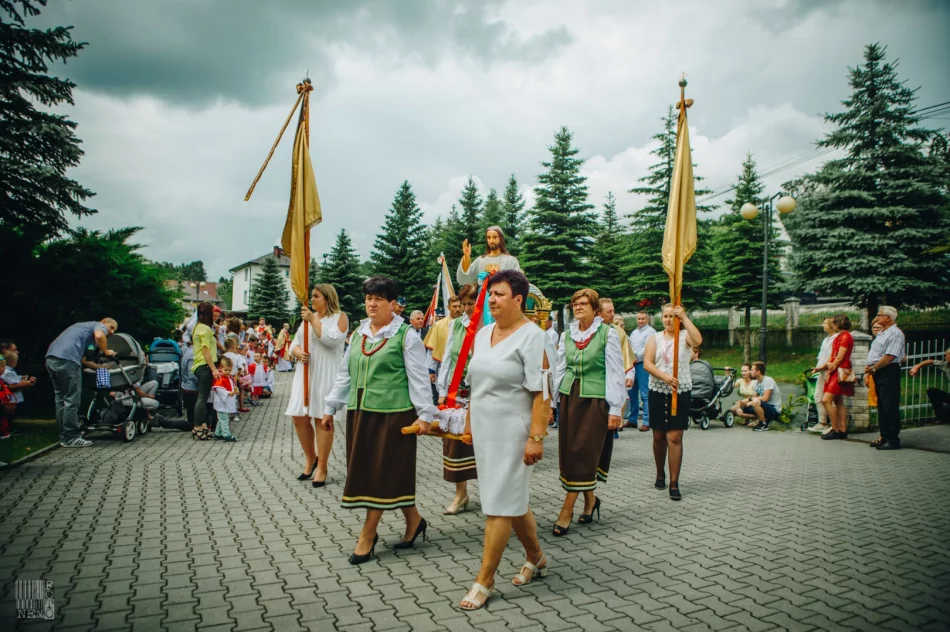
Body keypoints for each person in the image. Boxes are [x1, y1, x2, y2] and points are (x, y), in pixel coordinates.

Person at [320, 276, 437, 565]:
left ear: (393, 305)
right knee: (385, 473)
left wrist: (425, 415)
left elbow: (419, 378)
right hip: (361, 413)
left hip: (394, 416)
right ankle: (414, 520)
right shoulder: (359, 333)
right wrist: (330, 407)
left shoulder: (406, 335)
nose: (372, 304)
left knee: (379, 474)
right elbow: (345, 373)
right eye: (369, 298)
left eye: (379, 299)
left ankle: (367, 535)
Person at [459, 270, 550, 610]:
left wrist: (536, 437)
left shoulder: (534, 337)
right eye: (490, 294)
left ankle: (484, 580)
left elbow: (543, 392)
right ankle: (536, 557)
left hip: (514, 431)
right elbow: (475, 384)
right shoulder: (484, 333)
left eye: (498, 294)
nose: (492, 300)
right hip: (485, 429)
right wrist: (468, 422)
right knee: (511, 500)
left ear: (518, 300)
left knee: (497, 504)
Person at [551, 288, 625, 536]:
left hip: (596, 401)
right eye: (575, 304)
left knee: (583, 451)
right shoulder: (567, 335)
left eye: (583, 303)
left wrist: (616, 408)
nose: (578, 307)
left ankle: (567, 509)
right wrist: (553, 402)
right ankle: (591, 501)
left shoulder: (607, 334)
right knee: (572, 451)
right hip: (571, 397)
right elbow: (560, 367)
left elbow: (615, 372)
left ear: (595, 309)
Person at [287, 284, 348, 488]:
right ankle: (310, 458)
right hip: (305, 373)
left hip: (326, 373)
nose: (311, 300)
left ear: (327, 298)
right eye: (312, 296)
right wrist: (296, 352)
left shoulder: (340, 317)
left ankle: (322, 466)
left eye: (316, 296)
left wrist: (313, 320)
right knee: (299, 417)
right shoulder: (308, 318)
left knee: (321, 419)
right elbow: (294, 343)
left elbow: (331, 340)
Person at [643, 304, 702, 501]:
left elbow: (698, 340)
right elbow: (648, 363)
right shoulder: (655, 338)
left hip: (680, 391)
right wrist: (665, 377)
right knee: (659, 436)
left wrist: (684, 317)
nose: (668, 320)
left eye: (672, 316)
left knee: (675, 437)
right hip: (658, 391)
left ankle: (675, 483)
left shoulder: (684, 336)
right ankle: (660, 473)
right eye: (665, 316)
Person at [435, 284, 479, 515]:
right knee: (455, 442)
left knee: (483, 441)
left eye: (471, 304)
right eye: (463, 304)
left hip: (483, 391)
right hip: (458, 390)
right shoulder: (456, 324)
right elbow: (448, 358)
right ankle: (460, 494)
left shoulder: (488, 324)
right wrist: (442, 391)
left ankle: (494, 492)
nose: (466, 309)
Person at [46, 318, 118, 447]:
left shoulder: (83, 330)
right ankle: (71, 437)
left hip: (52, 359)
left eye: (114, 330)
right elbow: (100, 335)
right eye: (111, 327)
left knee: (61, 398)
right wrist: (107, 352)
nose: (112, 332)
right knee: (71, 400)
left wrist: (101, 367)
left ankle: (63, 436)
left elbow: (84, 361)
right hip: (67, 360)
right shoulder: (97, 326)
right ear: (104, 322)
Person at [865, 306, 905, 450]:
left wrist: (874, 367)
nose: (877, 317)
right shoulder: (883, 333)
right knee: (882, 404)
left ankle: (892, 439)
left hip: (888, 371)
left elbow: (890, 356)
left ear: (888, 318)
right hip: (878, 371)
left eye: (880, 315)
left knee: (889, 404)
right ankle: (884, 436)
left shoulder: (895, 333)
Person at [598, 298, 634, 438]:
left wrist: (629, 374)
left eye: (613, 311)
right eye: (609, 312)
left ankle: (613, 431)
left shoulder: (619, 332)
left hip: (614, 378)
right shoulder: (588, 331)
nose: (612, 314)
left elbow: (626, 355)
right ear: (598, 313)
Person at [818, 314, 854, 441]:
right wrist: (824, 366)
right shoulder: (840, 336)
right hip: (836, 368)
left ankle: (835, 428)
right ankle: (842, 429)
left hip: (839, 368)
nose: (832, 324)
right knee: (838, 400)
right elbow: (833, 355)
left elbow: (840, 356)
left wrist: (832, 366)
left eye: (834, 322)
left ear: (839, 324)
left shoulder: (845, 336)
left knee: (826, 400)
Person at [190, 303, 220, 441]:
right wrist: (213, 368)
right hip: (205, 366)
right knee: (202, 398)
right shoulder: (206, 329)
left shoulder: (198, 327)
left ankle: (202, 425)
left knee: (203, 397)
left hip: (199, 365)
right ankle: (197, 427)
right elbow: (205, 349)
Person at [456, 226, 521, 287]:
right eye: (489, 237)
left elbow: (518, 283)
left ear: (501, 239)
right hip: (483, 298)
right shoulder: (480, 260)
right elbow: (464, 280)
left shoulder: (511, 260)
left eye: (495, 237)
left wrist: (499, 275)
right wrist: (466, 257)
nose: (491, 241)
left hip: (502, 298)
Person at [627, 311, 656, 431]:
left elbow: (648, 348)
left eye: (643, 319)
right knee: (632, 393)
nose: (640, 321)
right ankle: (632, 419)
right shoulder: (634, 332)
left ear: (647, 319)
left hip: (643, 364)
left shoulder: (651, 332)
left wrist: (636, 354)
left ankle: (647, 421)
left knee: (645, 394)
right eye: (638, 319)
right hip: (633, 364)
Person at [809, 318, 839, 434]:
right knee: (818, 397)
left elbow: (833, 356)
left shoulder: (836, 338)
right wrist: (817, 367)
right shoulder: (826, 339)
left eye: (825, 323)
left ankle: (834, 425)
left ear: (832, 324)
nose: (823, 325)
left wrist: (824, 366)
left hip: (830, 370)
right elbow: (821, 356)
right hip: (821, 370)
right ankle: (822, 423)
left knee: (830, 399)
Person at [910, 348, 950, 424]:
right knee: (932, 391)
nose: (945, 356)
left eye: (948, 355)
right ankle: (942, 418)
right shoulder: (945, 365)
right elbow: (930, 361)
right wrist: (917, 366)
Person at [745, 362, 783, 432]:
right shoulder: (756, 382)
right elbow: (754, 397)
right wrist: (745, 403)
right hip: (763, 407)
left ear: (758, 372)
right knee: (742, 409)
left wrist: (749, 400)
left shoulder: (768, 381)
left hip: (773, 410)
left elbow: (765, 398)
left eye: (752, 370)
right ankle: (760, 419)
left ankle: (763, 424)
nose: (750, 371)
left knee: (755, 402)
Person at [1, 341, 36, 415]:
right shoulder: (6, 371)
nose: (18, 352)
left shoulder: (8, 370)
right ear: (4, 350)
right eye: (14, 350)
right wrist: (26, 383)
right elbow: (10, 385)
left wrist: (24, 379)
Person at [212, 357, 238, 441]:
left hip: (226, 403)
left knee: (222, 419)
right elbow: (219, 390)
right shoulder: (220, 379)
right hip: (221, 403)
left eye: (229, 370)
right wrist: (228, 393)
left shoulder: (230, 378)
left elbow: (232, 386)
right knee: (224, 420)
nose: (227, 372)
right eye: (225, 370)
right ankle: (226, 434)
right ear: (221, 368)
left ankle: (218, 433)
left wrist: (235, 390)